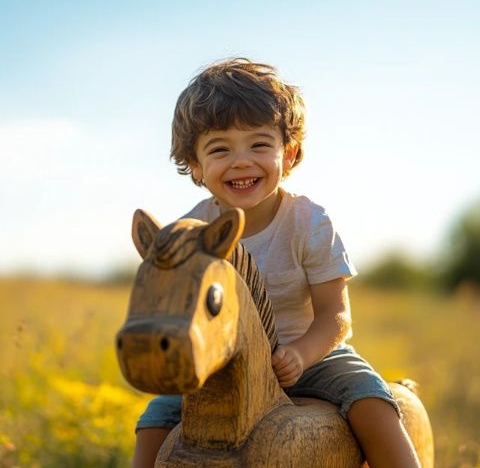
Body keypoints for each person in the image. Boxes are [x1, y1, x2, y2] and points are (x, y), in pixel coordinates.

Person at [132, 58, 421, 468]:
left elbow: (336, 315)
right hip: (222, 367)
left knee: (369, 397)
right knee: (156, 417)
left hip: (312, 358)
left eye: (259, 144)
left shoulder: (308, 223)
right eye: (220, 149)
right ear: (195, 165)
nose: (241, 161)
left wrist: (301, 353)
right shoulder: (192, 233)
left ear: (289, 154)